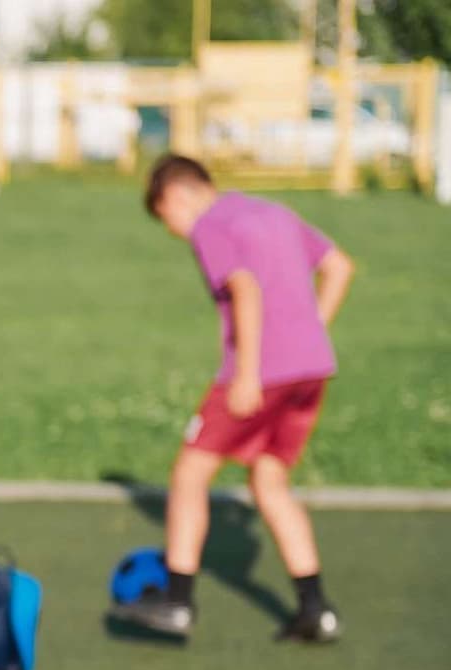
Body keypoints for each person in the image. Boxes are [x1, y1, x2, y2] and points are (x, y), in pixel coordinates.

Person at [114, 153, 354, 643]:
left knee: (190, 472)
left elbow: (244, 289)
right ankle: (315, 609)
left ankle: (178, 603)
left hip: (259, 372)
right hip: (311, 368)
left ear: (178, 195)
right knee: (269, 479)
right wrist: (310, 332)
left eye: (167, 219)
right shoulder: (274, 213)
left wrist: (248, 373)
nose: (175, 231)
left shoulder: (211, 225)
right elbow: (339, 267)